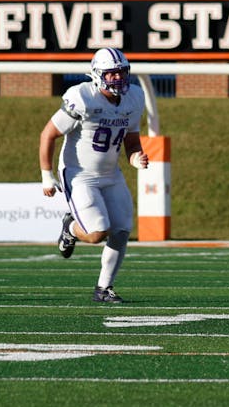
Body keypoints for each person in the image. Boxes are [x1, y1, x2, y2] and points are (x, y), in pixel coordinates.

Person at [39, 47, 148, 304]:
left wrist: (135, 158)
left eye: (121, 72)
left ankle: (104, 288)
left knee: (121, 230)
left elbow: (131, 141)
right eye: (112, 74)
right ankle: (71, 228)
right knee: (98, 233)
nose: (118, 79)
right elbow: (48, 134)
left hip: (111, 173)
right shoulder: (83, 97)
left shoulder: (134, 98)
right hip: (80, 175)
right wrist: (46, 173)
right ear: (98, 75)